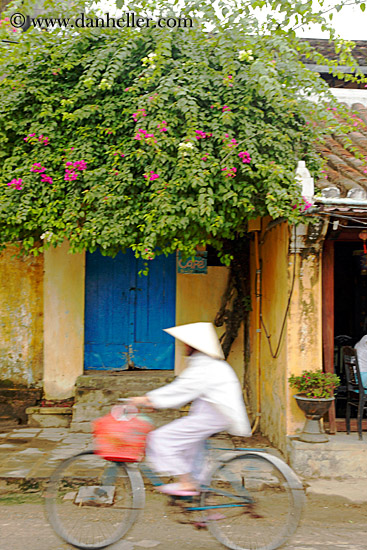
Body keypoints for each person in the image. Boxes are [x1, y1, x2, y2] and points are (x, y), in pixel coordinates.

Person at [130, 322, 252, 496]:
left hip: (213, 417)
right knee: (190, 451)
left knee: (161, 438)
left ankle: (186, 484)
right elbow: (186, 390)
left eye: (187, 344)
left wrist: (148, 399)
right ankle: (203, 507)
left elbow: (182, 389)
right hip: (213, 414)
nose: (184, 347)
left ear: (194, 346)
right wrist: (156, 402)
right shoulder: (209, 364)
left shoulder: (205, 366)